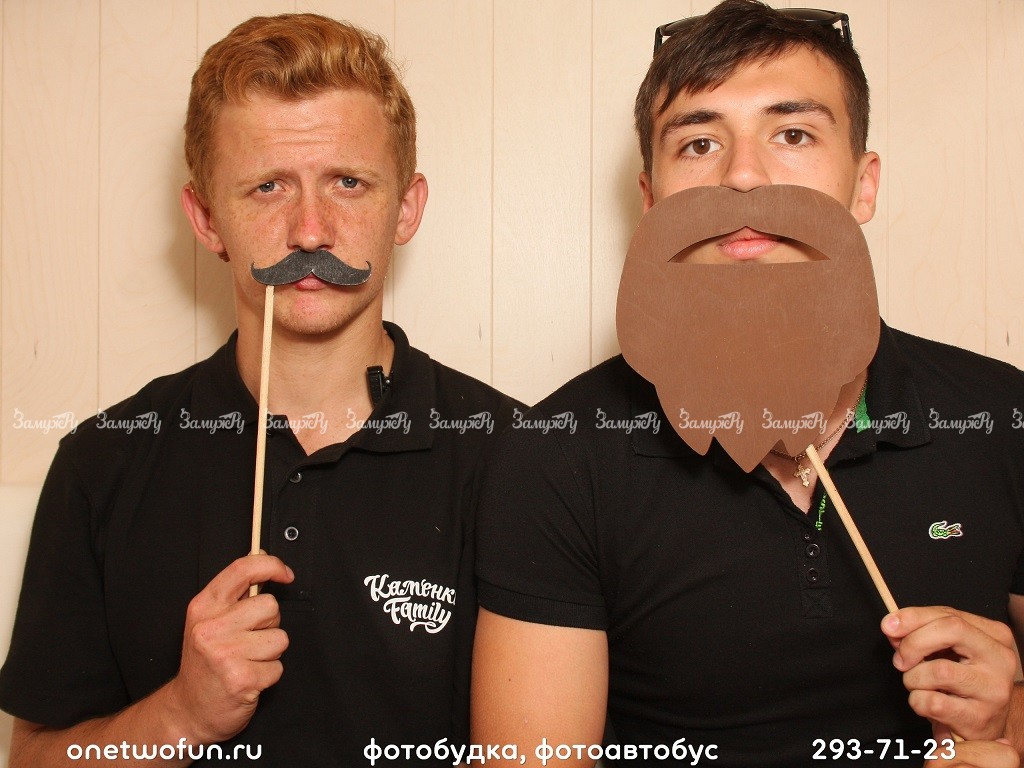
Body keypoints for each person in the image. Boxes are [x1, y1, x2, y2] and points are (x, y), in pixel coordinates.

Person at [472, 2, 1023, 766]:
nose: (741, 175)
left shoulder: (1004, 418)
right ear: (653, 202)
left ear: (864, 185)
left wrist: (1006, 723)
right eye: (700, 143)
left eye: (793, 134)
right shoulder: (556, 455)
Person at [0, 13, 517, 767]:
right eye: (268, 187)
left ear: (405, 208)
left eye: (348, 182)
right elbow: (33, 759)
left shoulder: (518, 459)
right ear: (208, 219)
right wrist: (180, 715)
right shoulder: (102, 462)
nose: (310, 231)